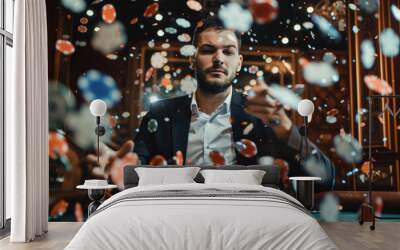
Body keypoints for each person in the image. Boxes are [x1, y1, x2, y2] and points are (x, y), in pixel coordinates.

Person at [89, 17, 335, 190]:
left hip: (246, 218)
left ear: (238, 63)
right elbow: (137, 170)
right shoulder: (160, 113)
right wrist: (121, 173)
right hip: (176, 215)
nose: (218, 58)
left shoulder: (263, 115)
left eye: (228, 52)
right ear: (193, 60)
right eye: (208, 50)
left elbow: (325, 180)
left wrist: (288, 132)